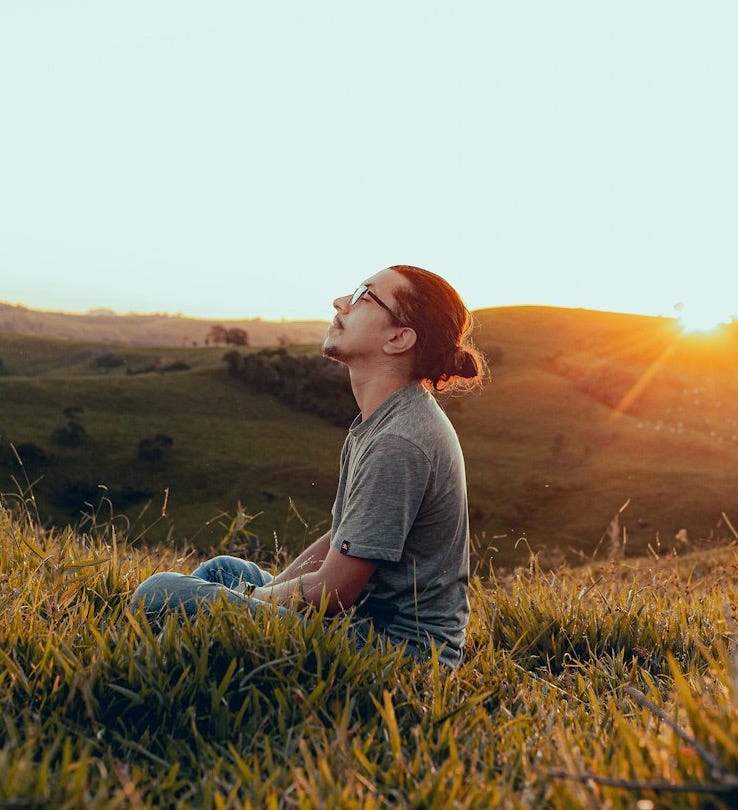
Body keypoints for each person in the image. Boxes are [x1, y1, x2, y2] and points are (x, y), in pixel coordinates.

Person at [130, 265, 486, 668]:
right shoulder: (390, 419)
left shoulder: (398, 440)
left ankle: (182, 657)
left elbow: (333, 593)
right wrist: (262, 597)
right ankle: (188, 654)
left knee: (158, 592)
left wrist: (254, 601)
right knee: (224, 570)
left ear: (399, 339)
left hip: (398, 653)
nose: (340, 303)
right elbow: (341, 539)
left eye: (363, 295)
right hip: (363, 624)